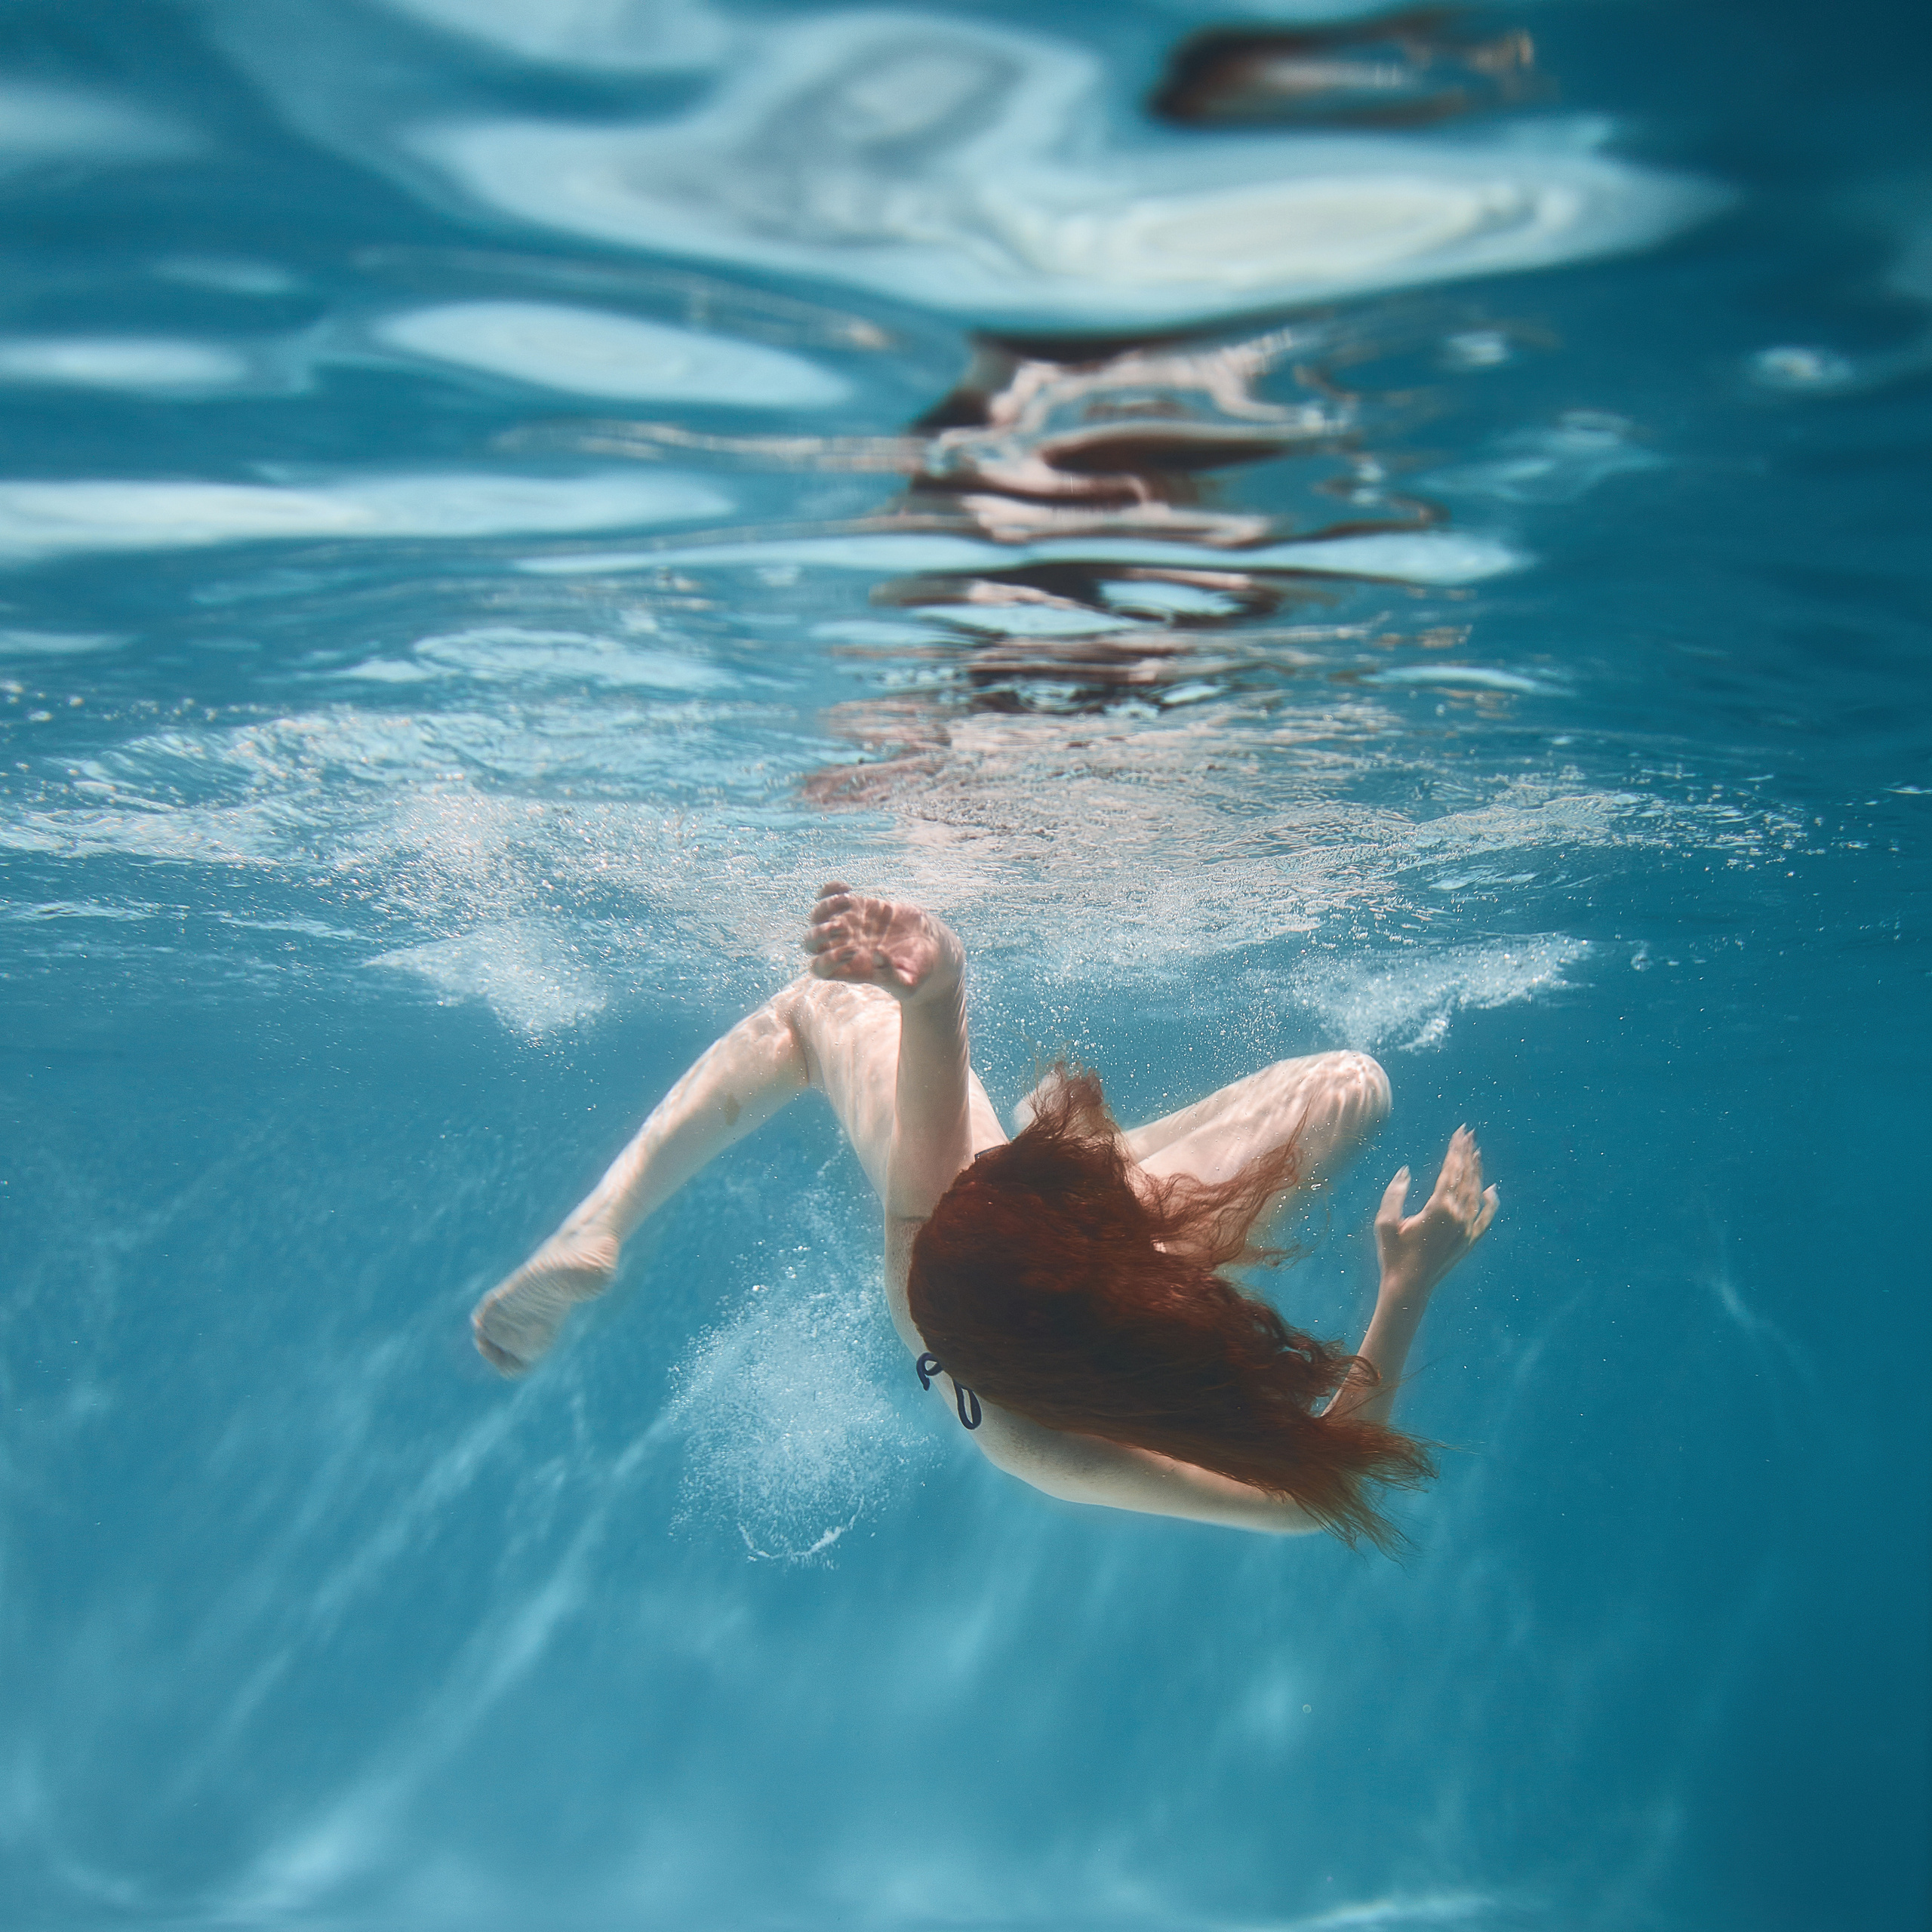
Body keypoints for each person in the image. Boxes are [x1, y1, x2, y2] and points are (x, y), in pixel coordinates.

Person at [472, 886, 1499, 1549]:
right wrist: (1408, 1289)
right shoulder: (1039, 1424)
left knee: (814, 1011)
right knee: (1353, 1083)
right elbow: (1300, 1502)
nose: (967, 1166)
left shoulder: (933, 1263)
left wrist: (935, 964)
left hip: (992, 1295)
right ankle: (1074, 1142)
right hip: (1040, 1285)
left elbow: (932, 1028)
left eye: (998, 1169)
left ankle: (594, 1225)